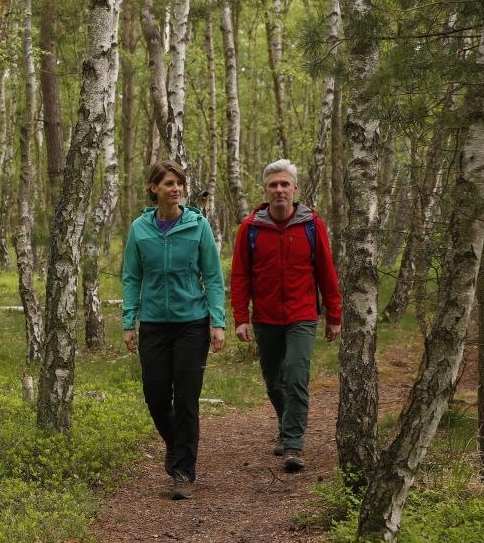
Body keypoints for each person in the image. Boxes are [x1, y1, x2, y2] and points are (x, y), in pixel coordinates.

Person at [122, 160, 226, 500]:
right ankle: (176, 444)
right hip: (153, 323)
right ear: (154, 188)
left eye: (179, 183)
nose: (176, 188)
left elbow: (212, 275)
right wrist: (128, 321)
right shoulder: (139, 228)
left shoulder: (198, 226)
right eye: (168, 183)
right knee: (154, 395)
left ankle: (183, 471)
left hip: (192, 324)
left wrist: (218, 322)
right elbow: (132, 276)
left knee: (185, 397)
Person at [230, 159, 342, 473]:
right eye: (273, 185)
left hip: (302, 315)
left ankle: (293, 443)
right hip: (265, 317)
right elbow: (240, 276)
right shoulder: (251, 228)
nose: (279, 190)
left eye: (285, 184)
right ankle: (285, 422)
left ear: (294, 189)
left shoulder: (311, 224)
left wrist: (334, 314)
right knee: (273, 380)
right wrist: (241, 317)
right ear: (265, 190)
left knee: (295, 373)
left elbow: (326, 271)